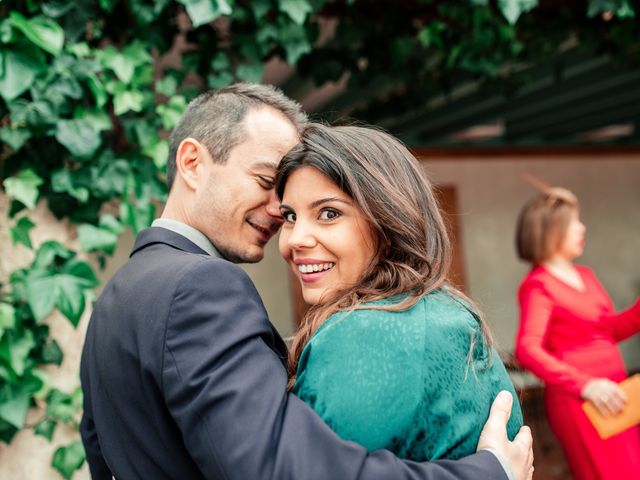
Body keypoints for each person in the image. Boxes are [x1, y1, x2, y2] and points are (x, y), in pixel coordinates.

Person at [80, 83, 534, 480]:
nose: (282, 218)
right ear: (193, 162)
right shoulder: (199, 285)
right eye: (266, 181)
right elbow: (284, 466)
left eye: (327, 212)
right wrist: (488, 472)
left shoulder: (115, 299)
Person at [275, 123, 524, 462]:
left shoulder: (369, 332)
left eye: (329, 214)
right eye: (289, 216)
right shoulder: (439, 309)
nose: (294, 239)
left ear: (388, 222)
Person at [513, 186, 640, 479]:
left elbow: (608, 330)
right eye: (574, 222)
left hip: (616, 392)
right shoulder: (538, 285)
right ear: (550, 230)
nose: (582, 228)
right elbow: (528, 348)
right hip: (580, 399)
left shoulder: (585, 275)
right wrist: (586, 385)